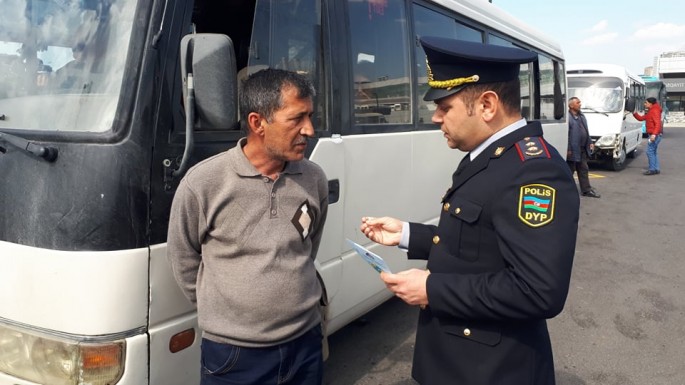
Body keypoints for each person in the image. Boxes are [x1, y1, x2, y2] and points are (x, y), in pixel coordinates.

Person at [360, 36, 580, 385]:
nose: (435, 117)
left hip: (492, 370)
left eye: (444, 107)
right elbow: (475, 245)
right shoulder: (485, 157)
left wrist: (433, 290)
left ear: (487, 105)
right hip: (458, 361)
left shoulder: (534, 172)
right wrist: (406, 234)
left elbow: (538, 291)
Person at [167, 68, 329, 385]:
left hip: (305, 343)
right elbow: (183, 257)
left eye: (310, 116)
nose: (309, 130)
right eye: (297, 119)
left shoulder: (313, 178)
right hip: (235, 356)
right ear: (257, 123)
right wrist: (228, 311)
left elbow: (309, 245)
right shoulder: (204, 183)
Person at [567, 97, 600, 198]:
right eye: (578, 103)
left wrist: (590, 142)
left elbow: (586, 130)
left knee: (583, 170)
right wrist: (568, 149)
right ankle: (566, 191)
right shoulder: (568, 118)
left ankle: (586, 190)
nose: (580, 104)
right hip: (572, 150)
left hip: (582, 149)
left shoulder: (582, 116)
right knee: (569, 170)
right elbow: (566, 134)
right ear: (571, 105)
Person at [632, 97, 663, 175]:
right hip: (655, 134)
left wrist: (654, 134)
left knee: (649, 152)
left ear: (650, 103)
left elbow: (658, 124)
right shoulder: (651, 110)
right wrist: (634, 113)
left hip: (654, 135)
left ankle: (652, 169)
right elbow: (642, 118)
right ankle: (656, 168)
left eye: (646, 103)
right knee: (653, 152)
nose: (644, 104)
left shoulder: (654, 111)